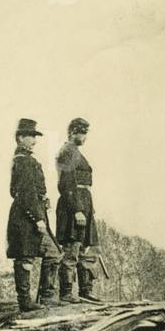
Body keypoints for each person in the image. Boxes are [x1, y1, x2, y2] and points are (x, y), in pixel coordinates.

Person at [6, 117, 63, 312]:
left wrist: (43, 200)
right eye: (30, 136)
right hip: (25, 217)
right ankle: (25, 301)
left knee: (53, 253)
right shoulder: (23, 161)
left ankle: (46, 296)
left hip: (33, 213)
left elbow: (23, 191)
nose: (34, 140)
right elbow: (24, 193)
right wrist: (38, 218)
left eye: (34, 136)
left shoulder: (26, 160)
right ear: (20, 138)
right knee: (25, 258)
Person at [56, 117, 102, 304]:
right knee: (71, 249)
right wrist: (77, 210)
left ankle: (86, 290)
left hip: (84, 203)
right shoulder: (67, 151)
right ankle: (66, 293)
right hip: (73, 206)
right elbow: (66, 182)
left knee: (85, 249)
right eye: (81, 132)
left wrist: (88, 209)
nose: (84, 136)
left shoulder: (75, 152)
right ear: (72, 132)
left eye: (85, 133)